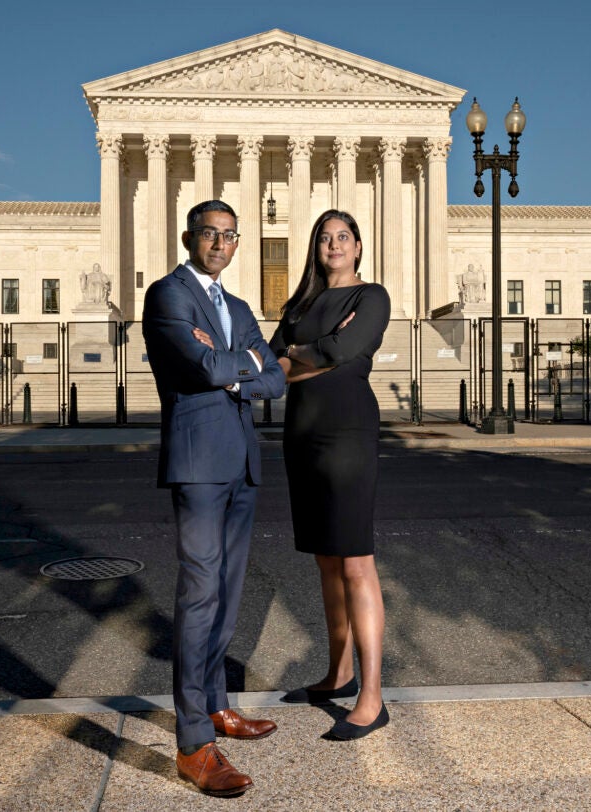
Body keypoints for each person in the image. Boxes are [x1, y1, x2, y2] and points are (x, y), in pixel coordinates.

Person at [142, 200, 285, 796]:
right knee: (199, 592)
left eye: (230, 236)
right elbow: (199, 367)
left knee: (227, 593)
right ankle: (194, 742)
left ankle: (218, 703)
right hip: (199, 463)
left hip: (242, 462)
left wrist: (241, 363)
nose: (221, 244)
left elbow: (274, 377)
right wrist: (240, 362)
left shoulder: (240, 306)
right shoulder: (167, 294)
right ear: (189, 237)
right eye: (211, 234)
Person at [269, 209, 391, 740]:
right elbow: (271, 364)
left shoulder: (372, 297)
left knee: (356, 561)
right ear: (316, 248)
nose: (334, 244)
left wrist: (305, 354)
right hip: (301, 435)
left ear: (359, 247)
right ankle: (339, 673)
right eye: (325, 238)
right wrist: (307, 353)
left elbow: (344, 351)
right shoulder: (301, 303)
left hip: (347, 433)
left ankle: (372, 696)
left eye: (343, 237)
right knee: (325, 560)